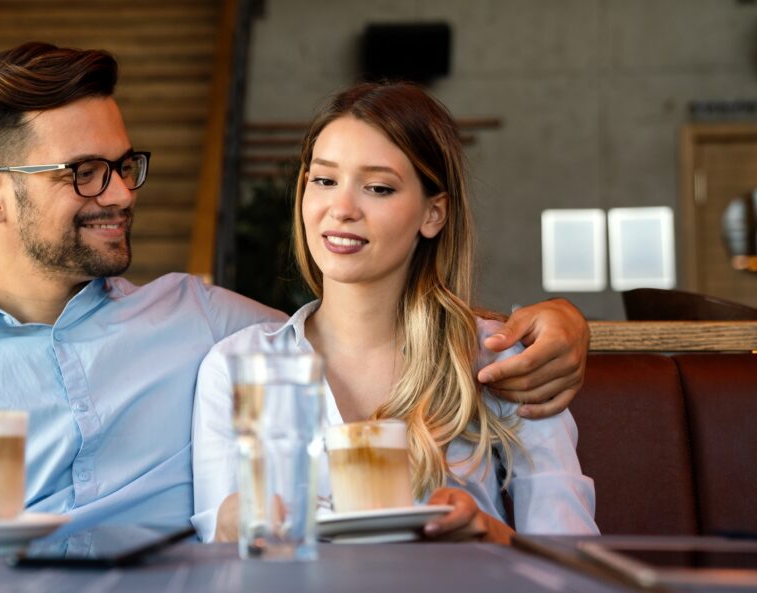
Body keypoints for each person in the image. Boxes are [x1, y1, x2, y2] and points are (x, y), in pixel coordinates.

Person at [0, 42, 589, 544]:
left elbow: (358, 325)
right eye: (86, 172)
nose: (122, 193)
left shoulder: (199, 321)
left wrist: (560, 323)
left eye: (127, 165)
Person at [192, 82, 599, 545]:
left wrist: (489, 538)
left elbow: (573, 555)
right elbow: (220, 551)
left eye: (379, 188)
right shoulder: (234, 368)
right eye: (324, 180)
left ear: (434, 214)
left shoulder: (501, 361)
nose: (341, 209)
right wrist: (230, 529)